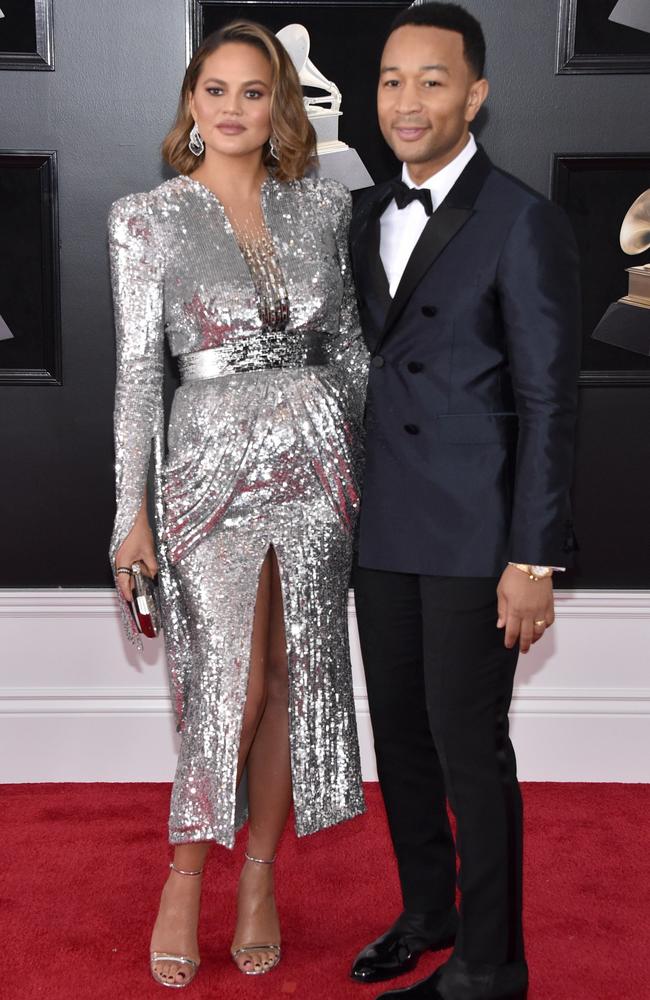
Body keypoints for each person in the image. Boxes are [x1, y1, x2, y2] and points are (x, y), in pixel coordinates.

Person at [108, 20, 367, 988]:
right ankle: (184, 877)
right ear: (189, 102)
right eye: (213, 90)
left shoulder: (321, 211)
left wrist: (343, 436)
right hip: (208, 467)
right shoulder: (145, 218)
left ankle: (257, 876)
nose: (229, 108)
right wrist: (126, 512)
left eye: (251, 93)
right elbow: (139, 375)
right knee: (229, 683)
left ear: (278, 108)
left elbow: (347, 344)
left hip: (313, 466)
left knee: (288, 674)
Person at [348, 3, 580, 999]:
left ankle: (490, 964)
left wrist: (531, 557)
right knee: (397, 735)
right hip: (381, 524)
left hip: (475, 533)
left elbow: (546, 398)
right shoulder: (364, 213)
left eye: (431, 80)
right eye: (392, 79)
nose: (407, 100)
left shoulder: (520, 218)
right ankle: (426, 911)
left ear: (474, 94)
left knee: (466, 748)